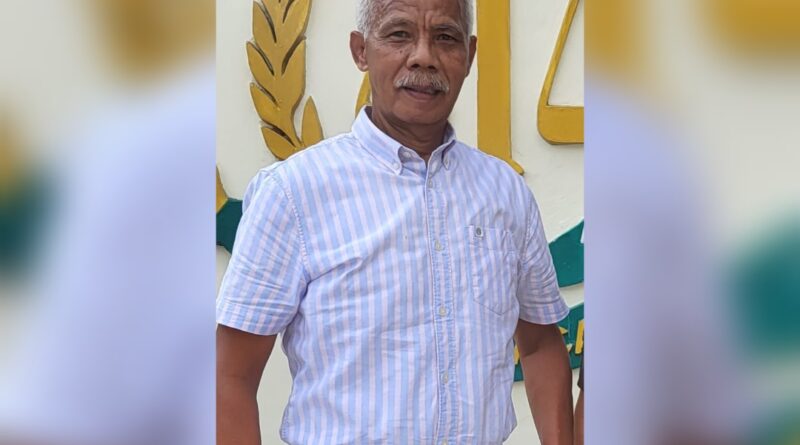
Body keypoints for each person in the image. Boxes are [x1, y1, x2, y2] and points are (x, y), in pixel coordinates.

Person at [216, 0, 573, 443]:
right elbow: (229, 376)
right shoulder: (293, 193)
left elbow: (539, 345)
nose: (424, 56)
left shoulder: (506, 193)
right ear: (360, 50)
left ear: (469, 55)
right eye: (399, 34)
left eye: (445, 38)